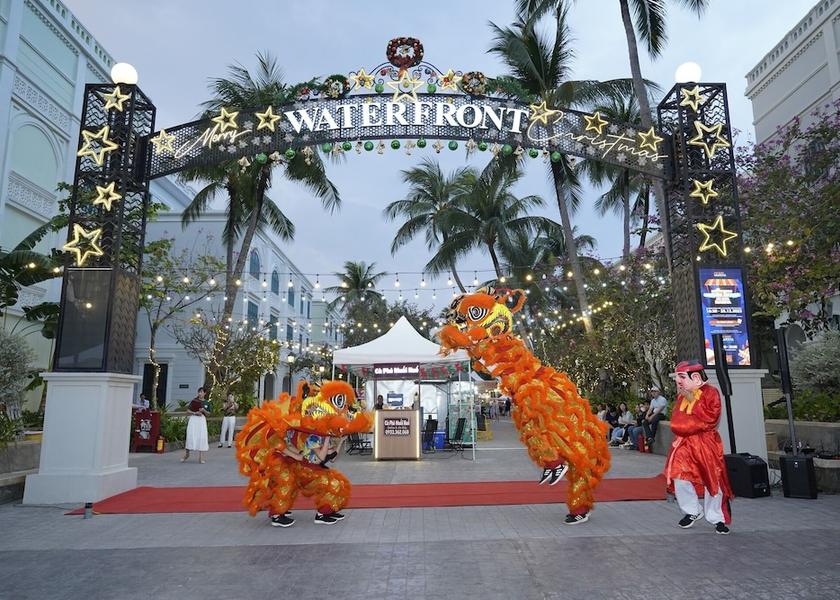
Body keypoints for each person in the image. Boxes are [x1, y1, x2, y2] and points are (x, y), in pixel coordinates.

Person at [664, 360, 734, 535]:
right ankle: (692, 510)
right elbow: (677, 420)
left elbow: (711, 418)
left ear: (695, 377)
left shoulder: (711, 392)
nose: (678, 381)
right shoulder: (682, 395)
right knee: (679, 476)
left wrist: (693, 402)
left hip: (705, 444)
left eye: (681, 377)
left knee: (712, 480)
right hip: (684, 443)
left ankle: (716, 518)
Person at [182, 387, 209, 463]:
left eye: (201, 392)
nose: (200, 393)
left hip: (201, 420)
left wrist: (204, 410)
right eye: (199, 392)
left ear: (204, 393)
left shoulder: (207, 402)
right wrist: (195, 413)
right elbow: (187, 411)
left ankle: (201, 457)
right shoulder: (194, 401)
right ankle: (187, 454)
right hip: (194, 419)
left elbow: (209, 413)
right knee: (190, 435)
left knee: (201, 437)